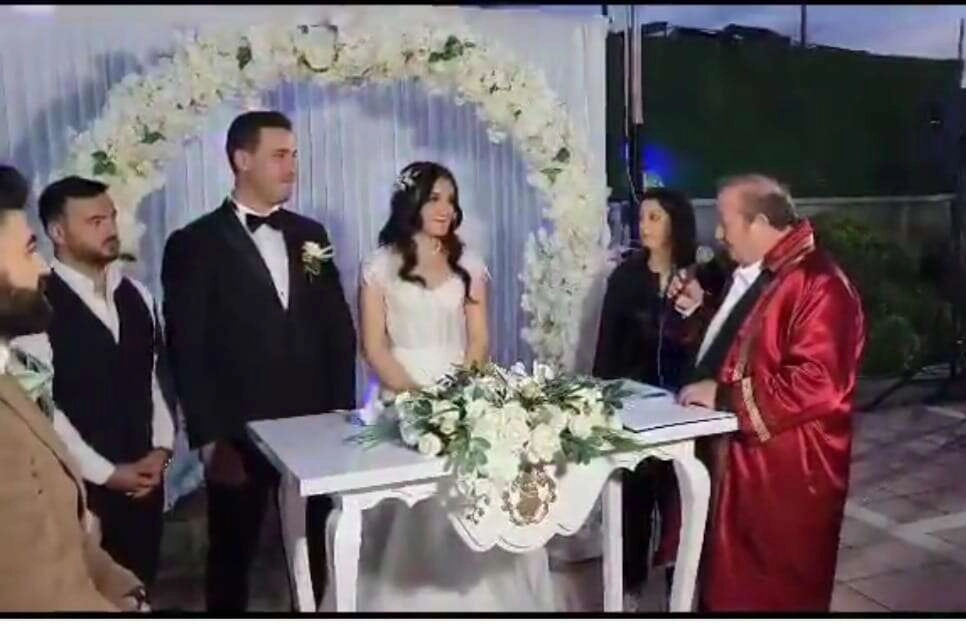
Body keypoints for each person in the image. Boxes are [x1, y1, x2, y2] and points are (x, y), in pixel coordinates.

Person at [161, 111, 357, 611]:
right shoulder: (194, 243)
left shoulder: (311, 234)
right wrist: (210, 440)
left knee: (319, 546)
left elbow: (337, 329)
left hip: (316, 428)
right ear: (241, 160)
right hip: (239, 433)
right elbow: (187, 347)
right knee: (232, 555)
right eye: (279, 156)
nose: (292, 167)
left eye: (294, 156)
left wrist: (341, 414)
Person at [338, 161, 556, 612]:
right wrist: (416, 400)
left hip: (463, 392)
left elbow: (479, 340)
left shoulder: (469, 264)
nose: (446, 209)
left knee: (469, 491)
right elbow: (373, 346)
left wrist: (461, 398)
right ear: (411, 202)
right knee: (407, 501)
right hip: (399, 393)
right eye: (435, 198)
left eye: (451, 200)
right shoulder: (378, 266)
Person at [675, 174, 866, 611]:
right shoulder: (766, 274)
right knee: (730, 584)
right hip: (745, 464)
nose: (718, 234)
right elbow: (742, 350)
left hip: (786, 472)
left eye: (725, 222)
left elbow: (819, 383)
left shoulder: (820, 283)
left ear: (759, 223)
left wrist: (725, 398)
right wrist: (700, 314)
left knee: (772, 591)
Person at [12, 176, 174, 590]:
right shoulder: (35, 306)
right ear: (57, 232)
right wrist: (106, 473)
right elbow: (41, 405)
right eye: (95, 221)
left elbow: (153, 380)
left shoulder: (138, 294)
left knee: (140, 590)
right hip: (81, 494)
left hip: (145, 487)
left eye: (111, 218)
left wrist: (161, 450)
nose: (110, 229)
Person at [592, 187, 724, 609]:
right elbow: (607, 345)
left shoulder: (704, 277)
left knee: (679, 500)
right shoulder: (626, 278)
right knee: (633, 498)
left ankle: (678, 587)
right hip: (636, 405)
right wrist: (602, 397)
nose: (643, 226)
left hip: (686, 405)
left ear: (675, 223)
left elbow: (718, 341)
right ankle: (628, 586)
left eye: (654, 217)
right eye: (641, 217)